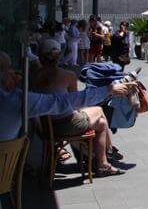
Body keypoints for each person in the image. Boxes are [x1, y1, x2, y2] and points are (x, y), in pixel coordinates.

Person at [0, 51, 136, 148]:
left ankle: (101, 157)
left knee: (94, 116)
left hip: (46, 127)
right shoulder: (14, 100)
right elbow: (67, 101)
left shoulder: (33, 78)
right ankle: (105, 157)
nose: (13, 73)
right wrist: (108, 90)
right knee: (99, 118)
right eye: (8, 69)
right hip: (60, 125)